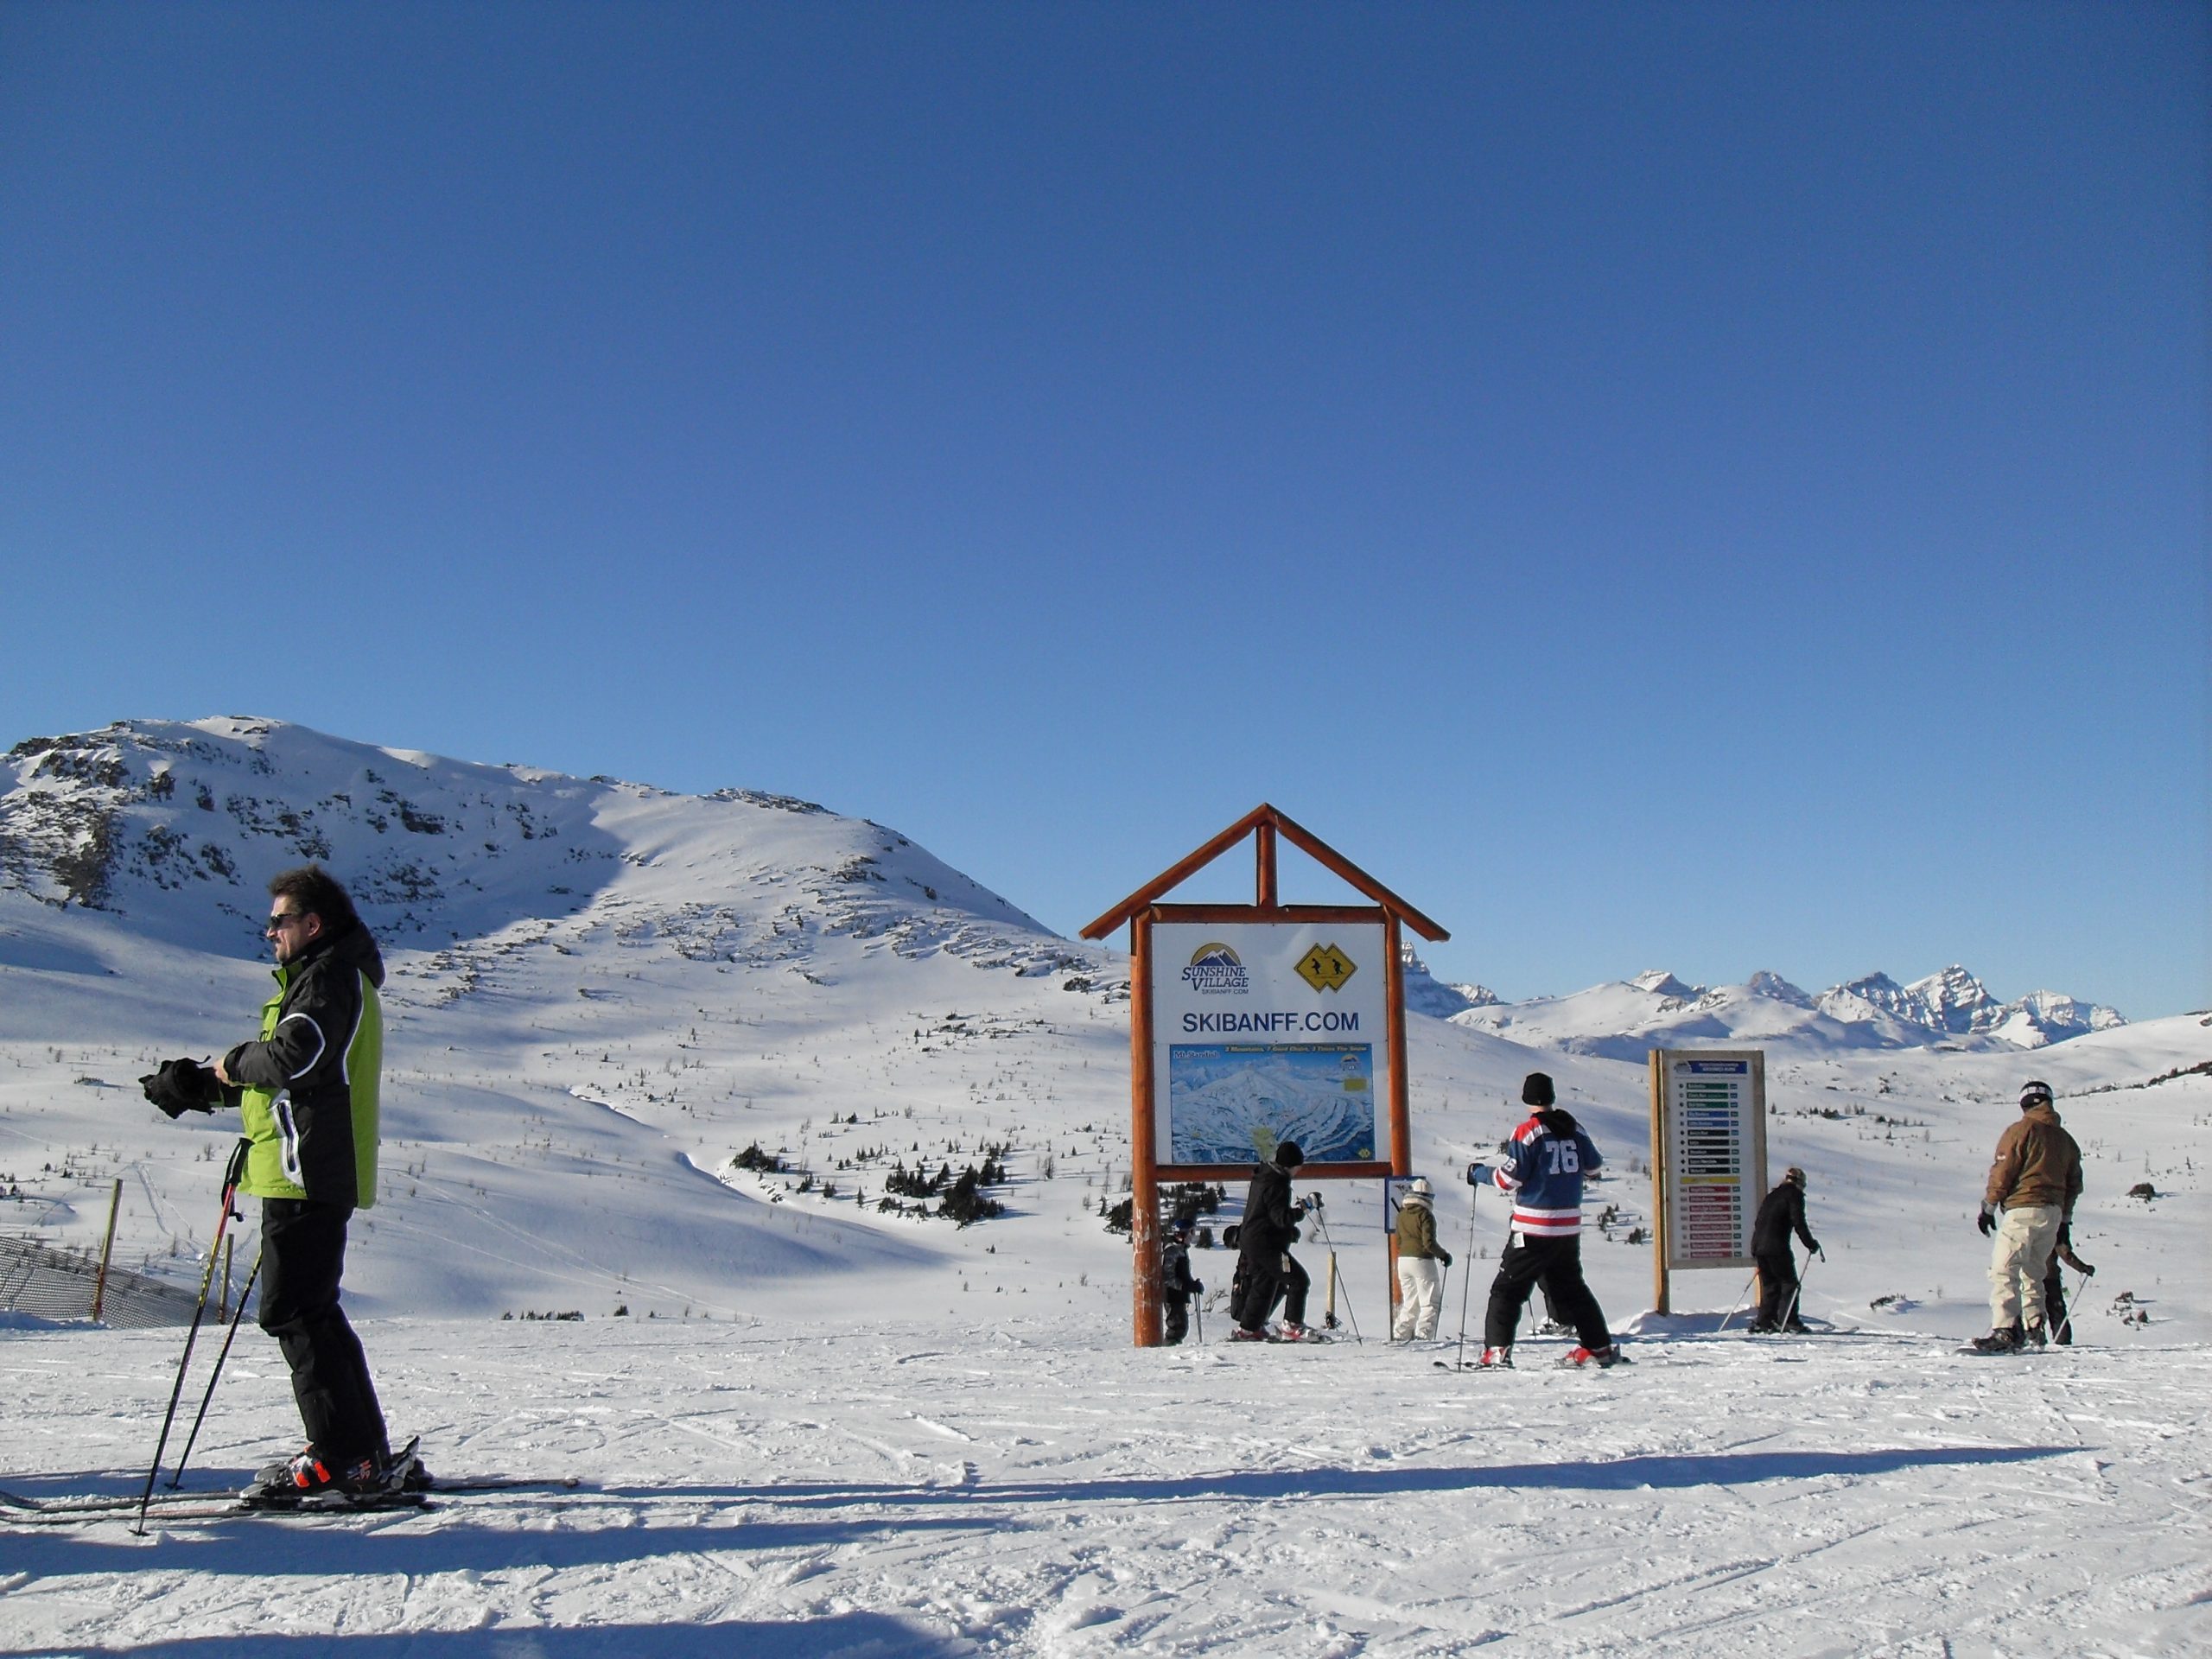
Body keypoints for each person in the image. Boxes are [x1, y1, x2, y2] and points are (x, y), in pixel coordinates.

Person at [143, 865, 397, 1495]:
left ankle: (343, 1457)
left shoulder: (327, 979)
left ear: (312, 925)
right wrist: (203, 1088)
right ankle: (362, 1452)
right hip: (306, 1165)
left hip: (305, 1170)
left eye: (280, 921)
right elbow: (295, 1078)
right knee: (313, 1310)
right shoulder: (330, 977)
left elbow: (294, 1056)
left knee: (293, 1311)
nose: (270, 933)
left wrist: (228, 1063)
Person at [1467, 1073, 1621, 1368]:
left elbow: (1508, 1179)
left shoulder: (1528, 1132)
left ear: (1526, 1099)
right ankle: (1599, 1348)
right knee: (1572, 1287)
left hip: (1533, 1226)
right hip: (1568, 1226)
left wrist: (1480, 1173)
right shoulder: (1574, 1127)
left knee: (1508, 1289)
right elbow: (1594, 1166)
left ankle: (1496, 1350)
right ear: (1552, 1097)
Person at [1970, 1080, 2083, 1353]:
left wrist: (1988, 1207)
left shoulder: (2021, 1131)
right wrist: (2064, 1222)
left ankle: (2006, 1330)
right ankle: (2035, 1329)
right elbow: (2074, 1184)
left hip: (2022, 1209)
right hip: (2053, 1214)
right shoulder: (2066, 1140)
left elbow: (2003, 1170)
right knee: (2034, 1271)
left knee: (2004, 1269)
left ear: (2024, 1104)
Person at [1230, 1140, 1313, 1341]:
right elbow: (1281, 1218)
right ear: (1290, 1166)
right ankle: (1291, 1326)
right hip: (1266, 1243)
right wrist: (1304, 1209)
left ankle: (1249, 1329)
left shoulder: (1263, 1177)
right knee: (1298, 1280)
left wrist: (1288, 1231)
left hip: (1253, 1240)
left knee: (1264, 1283)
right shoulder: (1278, 1183)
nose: (1297, 1172)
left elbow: (1267, 1214)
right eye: (1297, 1168)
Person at [1747, 1166, 1821, 1333]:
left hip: (1759, 1246)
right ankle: (1789, 1320)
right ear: (1800, 1183)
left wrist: (1755, 1247)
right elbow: (1798, 1221)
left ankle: (1765, 1321)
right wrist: (1810, 1243)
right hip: (1777, 1246)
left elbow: (1759, 1221)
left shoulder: (1772, 1195)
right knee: (1790, 1284)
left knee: (1771, 1285)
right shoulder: (1794, 1195)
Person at [1390, 1177, 1452, 1341]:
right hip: (1422, 1260)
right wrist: (1444, 1255)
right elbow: (1428, 1243)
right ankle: (1423, 1335)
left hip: (1403, 1261)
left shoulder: (1402, 1214)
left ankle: (1400, 1334)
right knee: (1430, 1301)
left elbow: (1398, 1240)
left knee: (1410, 1301)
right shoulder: (1425, 1215)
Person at [1161, 1218, 1204, 1345]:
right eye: (1191, 1232)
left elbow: (1182, 1273)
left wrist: (1193, 1285)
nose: (1192, 1236)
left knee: (1181, 1327)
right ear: (1183, 1234)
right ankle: (1168, 1350)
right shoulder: (1172, 1250)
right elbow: (1168, 1277)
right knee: (1177, 1327)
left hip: (1179, 1295)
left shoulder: (1181, 1250)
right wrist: (1186, 1286)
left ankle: (1172, 1348)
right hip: (1173, 1296)